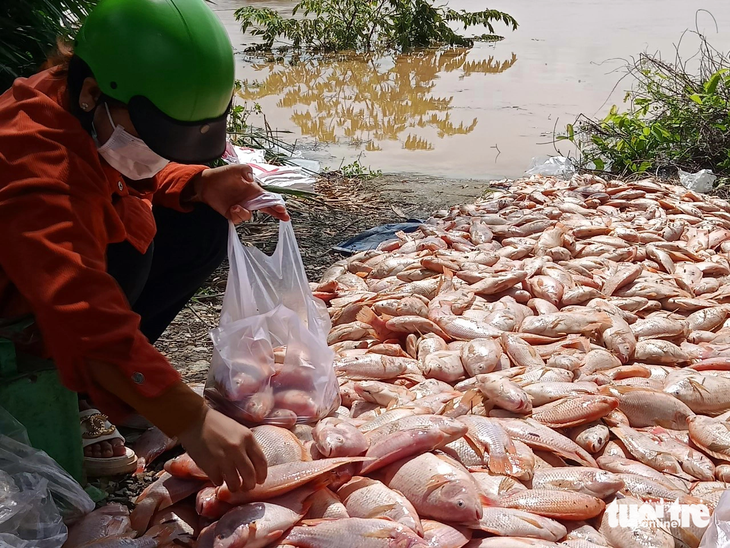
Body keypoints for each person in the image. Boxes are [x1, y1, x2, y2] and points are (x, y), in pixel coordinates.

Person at [0, 0, 288, 490]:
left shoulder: (91, 111)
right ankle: (85, 381)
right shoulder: (33, 161)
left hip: (62, 269)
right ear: (92, 91)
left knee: (200, 224)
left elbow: (131, 173)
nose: (158, 155)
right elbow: (80, 305)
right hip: (19, 297)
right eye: (155, 137)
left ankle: (108, 385)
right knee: (115, 276)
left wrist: (198, 183)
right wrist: (190, 418)